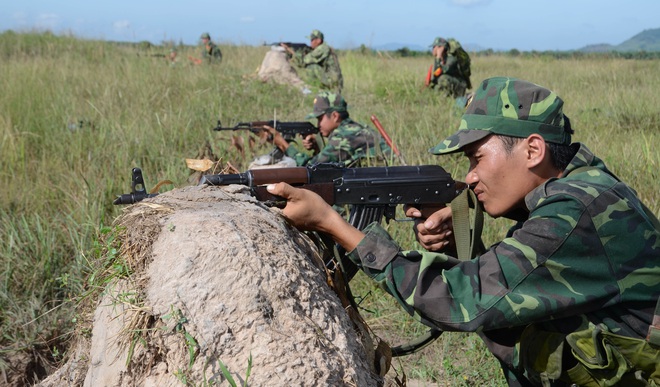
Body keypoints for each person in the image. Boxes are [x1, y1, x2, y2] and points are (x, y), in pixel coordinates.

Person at [266, 77, 660, 386]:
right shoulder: (584, 185)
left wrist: (333, 224)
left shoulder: (574, 211)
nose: (470, 177)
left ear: (533, 150)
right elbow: (516, 285)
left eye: (477, 158)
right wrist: (460, 241)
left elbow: (459, 301)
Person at [266, 91, 392, 167]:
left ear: (335, 116)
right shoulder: (353, 128)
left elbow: (312, 167)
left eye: (320, 119)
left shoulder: (344, 136)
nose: (318, 124)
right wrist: (317, 147)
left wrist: (283, 145)